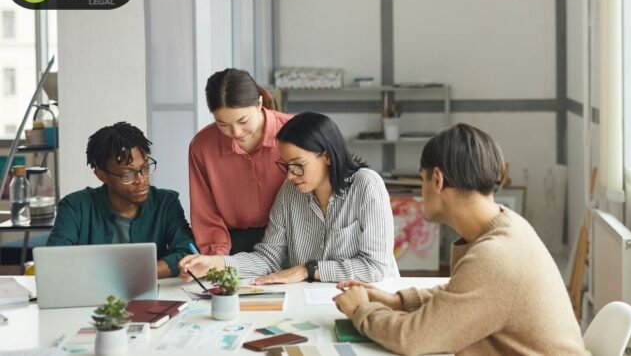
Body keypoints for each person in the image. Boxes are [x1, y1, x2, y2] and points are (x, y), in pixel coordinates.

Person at [333, 124, 589, 356]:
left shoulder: (495, 256)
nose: (422, 190)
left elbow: (412, 339)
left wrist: (361, 311)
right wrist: (395, 301)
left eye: (421, 180)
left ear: (437, 179)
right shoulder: (508, 226)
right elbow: (462, 294)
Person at [179, 112, 400, 284]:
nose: (290, 174)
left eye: (298, 165)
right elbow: (268, 258)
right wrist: (215, 263)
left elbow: (375, 266)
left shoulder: (366, 185)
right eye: (286, 165)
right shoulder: (289, 192)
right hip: (310, 301)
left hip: (371, 299)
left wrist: (308, 270)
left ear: (327, 157)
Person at [46, 122, 194, 278]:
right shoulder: (75, 207)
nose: (141, 180)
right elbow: (55, 261)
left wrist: (134, 273)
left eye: (145, 168)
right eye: (128, 175)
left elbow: (186, 252)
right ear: (101, 175)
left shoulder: (165, 202)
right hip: (92, 300)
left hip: (152, 296)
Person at [189, 68, 292, 255]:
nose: (236, 132)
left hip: (293, 239)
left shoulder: (295, 131)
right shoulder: (202, 146)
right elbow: (205, 212)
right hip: (233, 245)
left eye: (243, 120)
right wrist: (217, 260)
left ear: (259, 103)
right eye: (223, 124)